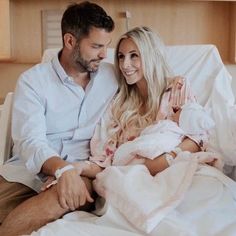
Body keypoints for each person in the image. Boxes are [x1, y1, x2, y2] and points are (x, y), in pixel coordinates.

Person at [0, 1, 117, 235]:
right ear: (70, 41)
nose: (104, 54)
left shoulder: (112, 77)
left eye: (107, 46)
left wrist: (175, 82)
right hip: (28, 172)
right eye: (96, 46)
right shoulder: (33, 81)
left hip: (82, 173)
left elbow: (149, 84)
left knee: (57, 199)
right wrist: (61, 170)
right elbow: (29, 141)